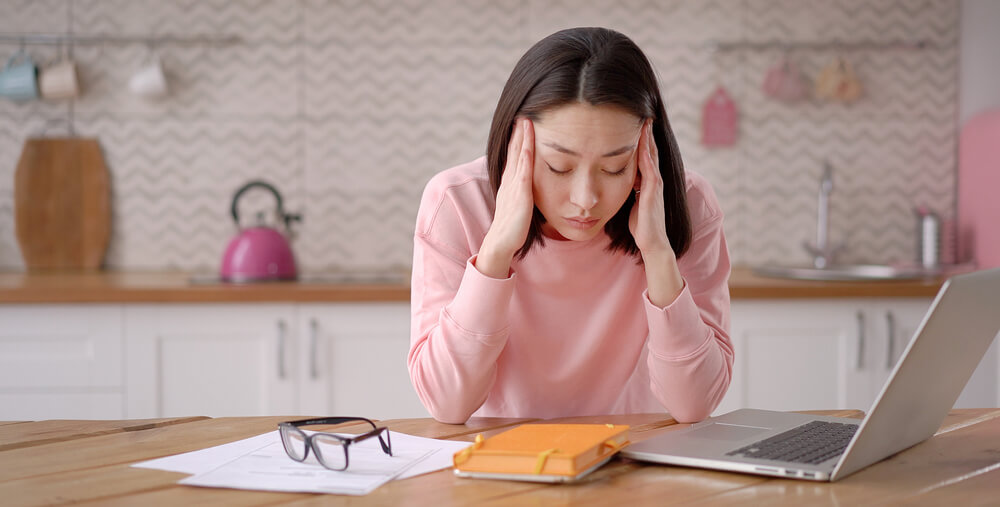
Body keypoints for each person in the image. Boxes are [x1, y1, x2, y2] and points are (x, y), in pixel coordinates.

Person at [408, 27, 732, 425]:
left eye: (614, 167)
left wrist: (658, 253)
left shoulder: (688, 202)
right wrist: (494, 254)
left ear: (646, 147)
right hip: (504, 464)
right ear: (516, 141)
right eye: (558, 166)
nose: (585, 199)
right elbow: (446, 403)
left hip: (637, 460)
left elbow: (695, 405)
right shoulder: (457, 202)